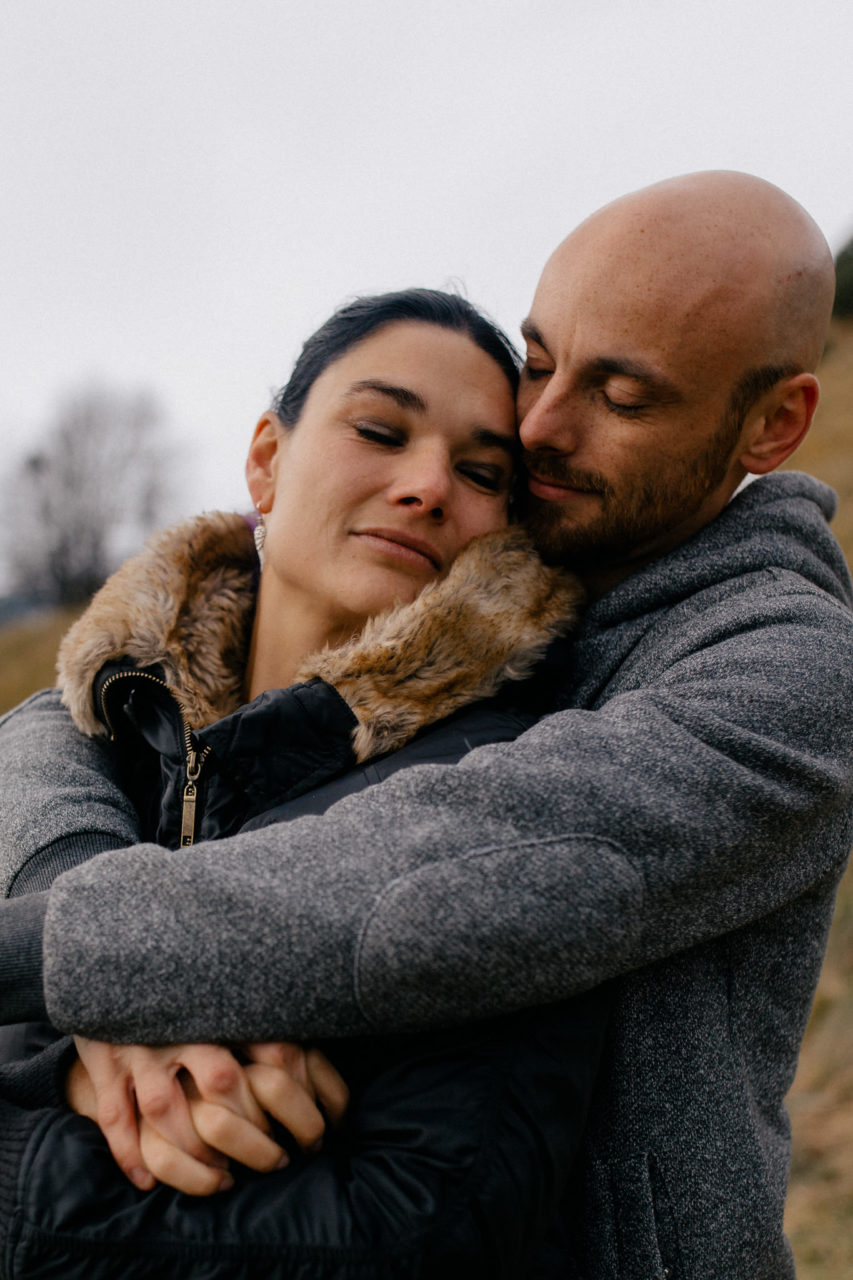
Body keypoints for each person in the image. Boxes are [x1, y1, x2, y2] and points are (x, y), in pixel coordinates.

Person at [2, 170, 853, 1277]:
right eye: (538, 362)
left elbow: (446, 866)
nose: (539, 428)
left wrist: (75, 963)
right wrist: (96, 986)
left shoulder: (788, 669)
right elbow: (69, 709)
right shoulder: (505, 570)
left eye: (621, 396)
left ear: (772, 424)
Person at [0, 288, 602, 1277]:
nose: (427, 485)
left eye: (481, 472)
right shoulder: (96, 744)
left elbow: (419, 1229)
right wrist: (91, 1052)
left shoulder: (497, 790)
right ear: (266, 460)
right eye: (380, 429)